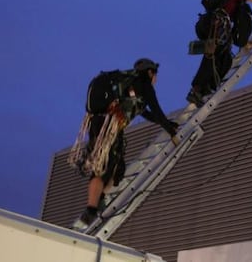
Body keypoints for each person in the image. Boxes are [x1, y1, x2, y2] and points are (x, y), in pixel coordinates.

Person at [69, 58, 179, 229]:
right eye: (155, 75)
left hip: (102, 124)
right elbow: (156, 109)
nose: (156, 80)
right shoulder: (144, 84)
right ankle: (91, 209)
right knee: (103, 167)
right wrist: (171, 131)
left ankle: (99, 200)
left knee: (117, 168)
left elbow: (148, 114)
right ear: (150, 72)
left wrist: (167, 124)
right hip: (108, 125)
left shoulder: (130, 86)